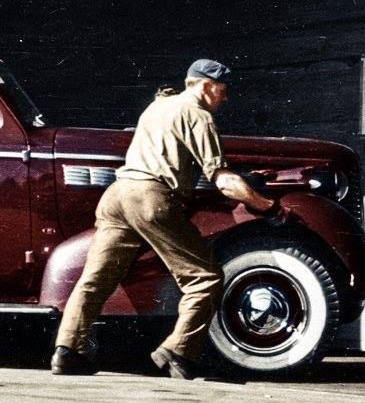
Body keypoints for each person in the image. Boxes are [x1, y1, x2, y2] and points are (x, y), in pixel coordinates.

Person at [50, 58, 281, 380]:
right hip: (151, 199)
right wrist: (269, 206)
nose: (224, 99)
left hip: (117, 195)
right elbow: (223, 180)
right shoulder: (199, 116)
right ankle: (177, 351)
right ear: (205, 85)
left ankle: (68, 351)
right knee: (205, 277)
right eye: (222, 91)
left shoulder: (156, 107)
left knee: (95, 280)